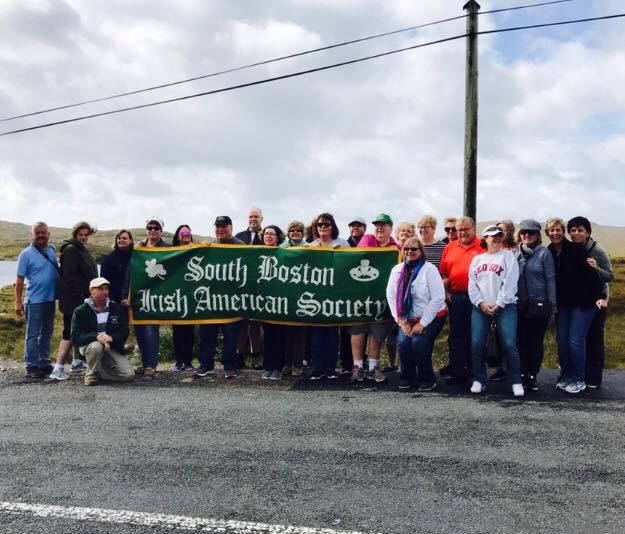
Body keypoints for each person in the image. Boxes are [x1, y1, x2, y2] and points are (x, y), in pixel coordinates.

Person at [546, 217, 604, 394]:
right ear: (548, 233)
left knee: (575, 340)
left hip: (585, 303)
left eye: (558, 230)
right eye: (551, 230)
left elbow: (594, 276)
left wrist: (601, 296)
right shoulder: (548, 252)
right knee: (562, 341)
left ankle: (578, 379)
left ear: (563, 232)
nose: (555, 233)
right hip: (563, 305)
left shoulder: (576, 250)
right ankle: (566, 375)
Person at [468, 225, 524, 397]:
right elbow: (472, 285)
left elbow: (511, 284)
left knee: (509, 344)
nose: (497, 238)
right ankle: (479, 379)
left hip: (506, 307)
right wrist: (481, 303)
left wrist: (499, 304)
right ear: (485, 239)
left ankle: (516, 381)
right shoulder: (477, 259)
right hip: (481, 308)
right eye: (493, 236)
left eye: (499, 235)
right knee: (477, 343)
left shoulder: (508, 257)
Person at [386, 237, 447, 390]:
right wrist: (401, 321)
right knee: (404, 342)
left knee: (418, 343)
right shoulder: (397, 270)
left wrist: (423, 322)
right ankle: (408, 377)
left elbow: (438, 298)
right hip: (406, 318)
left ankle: (427, 378)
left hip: (432, 316)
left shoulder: (429, 269)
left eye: (414, 249)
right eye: (406, 248)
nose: (410, 252)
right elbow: (391, 296)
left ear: (421, 251)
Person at [351, 214, 400, 384]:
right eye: (377, 225)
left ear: (390, 228)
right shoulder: (367, 239)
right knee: (357, 329)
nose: (379, 228)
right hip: (361, 295)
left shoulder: (396, 248)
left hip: (382, 298)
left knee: (376, 332)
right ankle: (357, 367)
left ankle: (373, 367)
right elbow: (357, 257)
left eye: (383, 225)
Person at [194, 216, 244, 380]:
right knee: (206, 334)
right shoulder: (209, 245)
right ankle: (205, 365)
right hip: (210, 299)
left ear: (231, 227)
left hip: (231, 300)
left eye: (223, 226)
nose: (220, 229)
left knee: (231, 336)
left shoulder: (241, 246)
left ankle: (229, 367)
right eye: (217, 226)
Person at [567, 216, 613, 390]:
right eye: (573, 230)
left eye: (580, 230)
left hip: (599, 301)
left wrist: (596, 268)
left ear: (587, 232)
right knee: (580, 338)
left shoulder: (597, 250)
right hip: (579, 301)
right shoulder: (572, 249)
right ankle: (581, 373)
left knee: (595, 339)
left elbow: (610, 276)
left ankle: (594, 377)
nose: (576, 233)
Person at [49, 221, 98, 381]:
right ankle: (58, 368)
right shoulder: (71, 250)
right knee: (69, 332)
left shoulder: (81, 249)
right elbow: (69, 278)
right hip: (73, 299)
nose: (83, 237)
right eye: (80, 235)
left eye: (86, 235)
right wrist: (83, 295)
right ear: (75, 235)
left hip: (81, 298)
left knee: (79, 330)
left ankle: (77, 362)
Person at [438, 216, 483, 385]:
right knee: (456, 336)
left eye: (466, 229)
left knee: (475, 336)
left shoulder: (483, 246)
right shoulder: (449, 247)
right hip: (455, 297)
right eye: (459, 230)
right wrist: (446, 291)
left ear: (474, 229)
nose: (462, 232)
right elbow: (444, 273)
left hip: (477, 299)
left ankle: (474, 371)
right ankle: (458, 372)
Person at [306, 213, 349, 380]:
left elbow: (350, 266)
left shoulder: (342, 244)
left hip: (334, 296)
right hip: (316, 296)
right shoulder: (311, 245)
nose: (323, 227)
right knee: (316, 335)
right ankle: (317, 368)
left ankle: (330, 368)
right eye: (320, 225)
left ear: (333, 227)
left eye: (326, 224)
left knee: (332, 335)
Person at [124, 218, 169, 378]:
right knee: (140, 331)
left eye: (156, 227)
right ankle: (144, 363)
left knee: (151, 330)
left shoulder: (167, 248)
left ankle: (151, 364)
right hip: (139, 295)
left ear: (161, 230)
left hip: (157, 296)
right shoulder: (139, 248)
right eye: (150, 227)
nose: (153, 230)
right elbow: (130, 273)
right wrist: (125, 295)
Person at [515, 219, 556, 392]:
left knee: (535, 341)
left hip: (540, 304)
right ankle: (522, 373)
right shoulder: (515, 254)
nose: (526, 235)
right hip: (520, 305)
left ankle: (532, 374)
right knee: (521, 340)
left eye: (531, 233)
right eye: (524, 232)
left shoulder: (544, 254)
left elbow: (551, 279)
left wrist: (553, 304)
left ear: (537, 235)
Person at [15, 222, 59, 378]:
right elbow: (20, 280)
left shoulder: (52, 250)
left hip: (50, 299)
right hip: (34, 300)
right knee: (33, 334)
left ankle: (44, 362)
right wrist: (18, 302)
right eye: (37, 232)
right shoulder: (25, 254)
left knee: (47, 332)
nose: (40, 235)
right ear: (32, 234)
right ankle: (32, 365)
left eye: (43, 232)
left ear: (48, 234)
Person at [71, 277, 134, 386]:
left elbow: (124, 332)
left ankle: (99, 372)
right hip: (90, 346)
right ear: (91, 290)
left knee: (128, 375)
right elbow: (76, 337)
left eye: (106, 288)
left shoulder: (117, 309)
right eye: (100, 289)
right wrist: (97, 337)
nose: (105, 292)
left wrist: (111, 338)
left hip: (111, 346)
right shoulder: (80, 311)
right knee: (96, 346)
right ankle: (90, 375)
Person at [235, 208, 264, 369]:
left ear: (261, 219)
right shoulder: (239, 237)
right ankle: (239, 354)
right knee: (241, 322)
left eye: (256, 217)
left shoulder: (266, 236)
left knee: (255, 323)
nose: (253, 219)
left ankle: (256, 355)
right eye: (251, 216)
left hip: (259, 286)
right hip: (240, 286)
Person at [259, 225, 288, 380]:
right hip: (264, 301)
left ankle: (278, 367)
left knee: (279, 335)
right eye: (266, 234)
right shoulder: (256, 253)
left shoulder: (284, 253)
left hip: (281, 300)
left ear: (278, 237)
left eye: (272, 234)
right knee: (268, 335)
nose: (268, 236)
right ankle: (268, 366)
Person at [280, 221, 307, 376]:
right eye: (292, 230)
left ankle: (297, 364)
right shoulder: (282, 247)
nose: (295, 232)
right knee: (286, 333)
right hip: (285, 295)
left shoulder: (309, 246)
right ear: (288, 232)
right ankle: (287, 363)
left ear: (303, 233)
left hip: (302, 295)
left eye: (298, 230)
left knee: (300, 333)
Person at [170, 225, 196, 371]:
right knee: (177, 330)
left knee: (189, 331)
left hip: (191, 295)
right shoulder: (171, 251)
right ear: (178, 235)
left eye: (188, 232)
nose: (185, 235)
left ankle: (188, 361)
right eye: (182, 232)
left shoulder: (196, 248)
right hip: (176, 295)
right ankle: (178, 361)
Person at [100, 229, 134, 305]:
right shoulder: (109, 258)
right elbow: (104, 281)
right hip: (117, 300)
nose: (121, 240)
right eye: (119, 238)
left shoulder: (136, 256)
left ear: (131, 240)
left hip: (134, 298)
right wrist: (111, 299)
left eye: (124, 238)